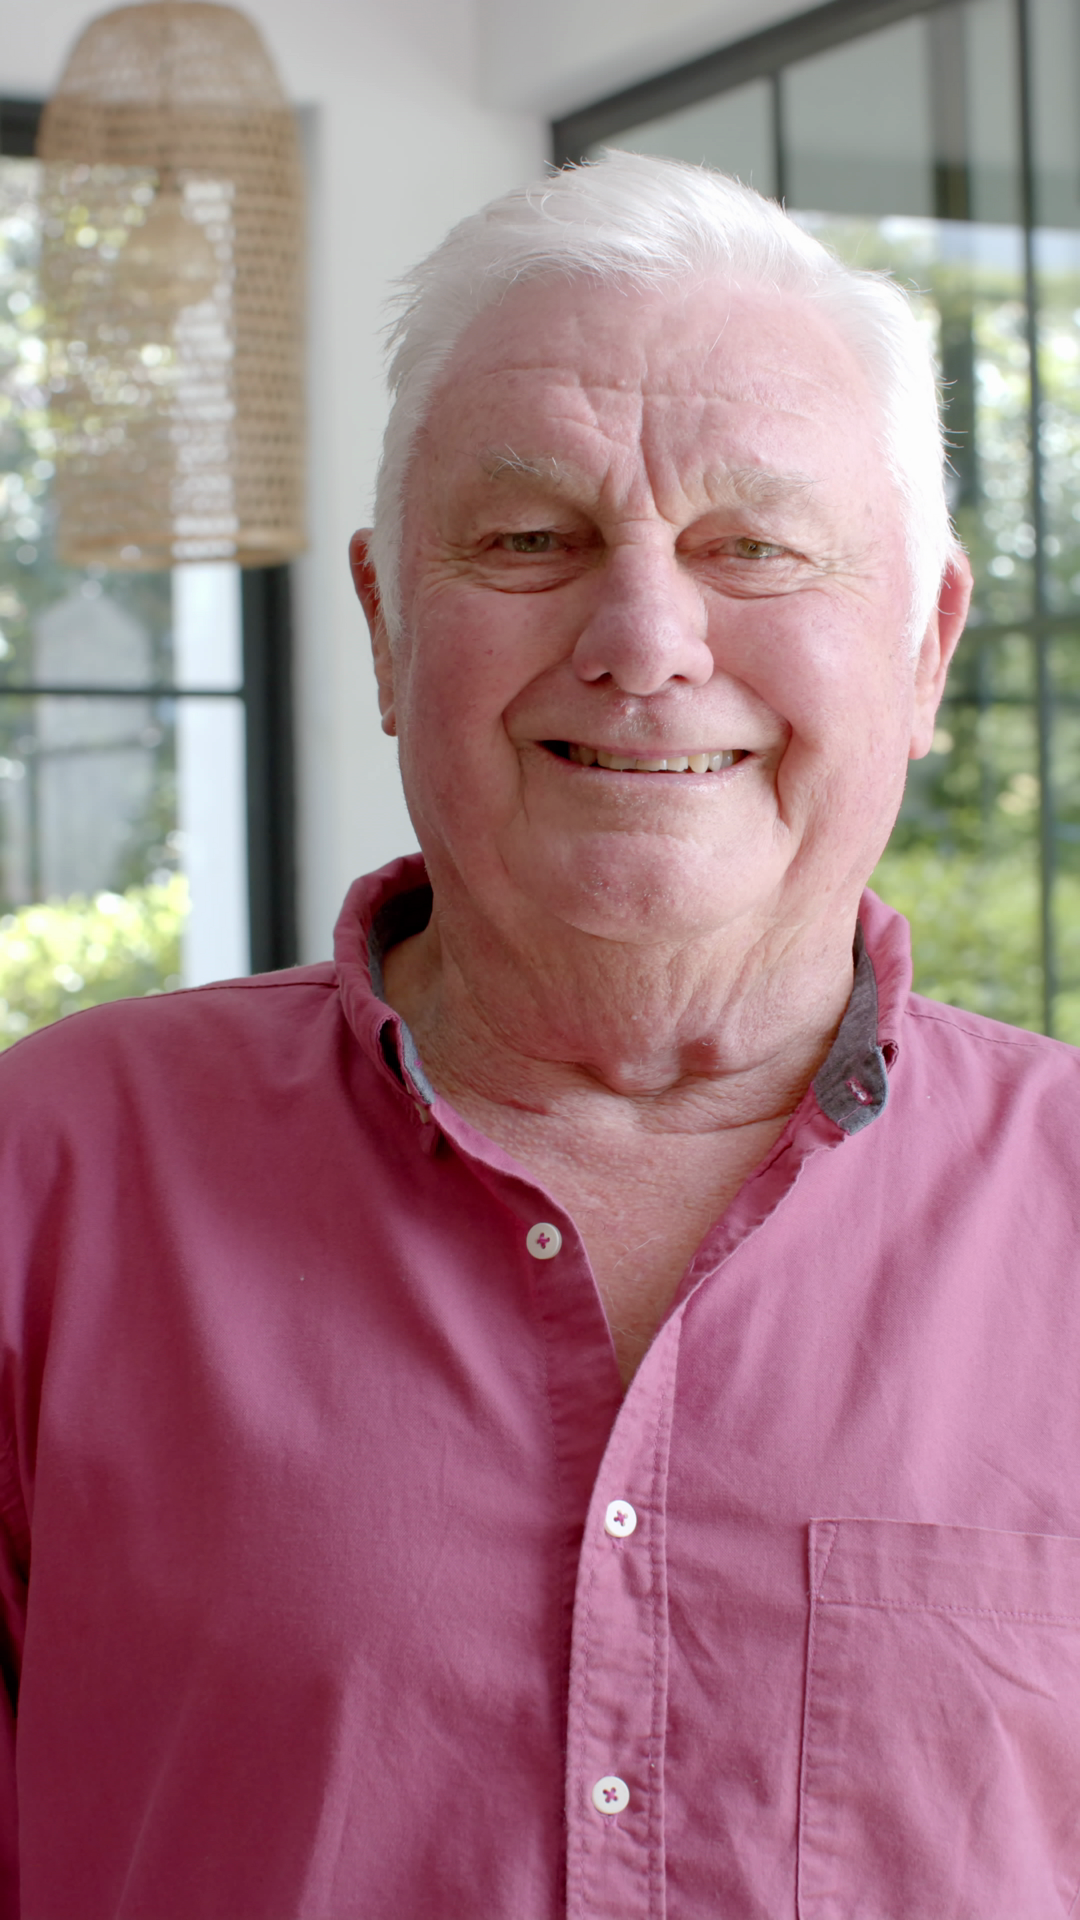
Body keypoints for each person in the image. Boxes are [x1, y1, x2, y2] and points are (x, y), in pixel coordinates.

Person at [1, 151, 1078, 1920]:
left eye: (753, 547)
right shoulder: (45, 1181)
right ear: (384, 625)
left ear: (926, 646)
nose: (644, 641)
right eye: (528, 542)